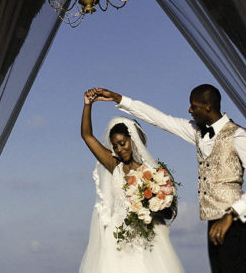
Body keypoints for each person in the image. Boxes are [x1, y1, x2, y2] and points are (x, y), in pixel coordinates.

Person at [90, 84, 246, 273]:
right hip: (213, 221)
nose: (189, 110)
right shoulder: (196, 132)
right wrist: (119, 98)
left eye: (194, 106)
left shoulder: (240, 136)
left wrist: (232, 214)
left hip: (235, 221)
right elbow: (160, 119)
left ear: (208, 106)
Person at [79, 88, 184, 273]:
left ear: (133, 140)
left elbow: (169, 213)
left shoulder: (156, 172)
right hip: (118, 241)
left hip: (150, 240)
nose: (119, 149)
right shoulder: (115, 166)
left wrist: (153, 204)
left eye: (122, 143)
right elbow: (87, 136)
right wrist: (87, 105)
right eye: (115, 146)